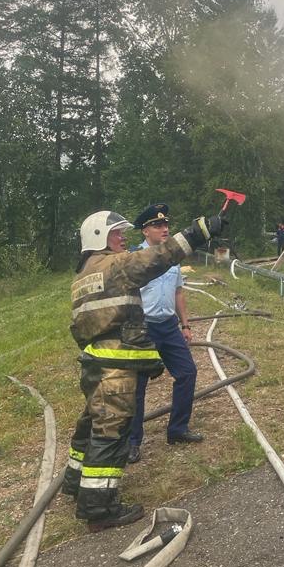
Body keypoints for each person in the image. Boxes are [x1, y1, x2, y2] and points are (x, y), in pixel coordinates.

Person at [62, 208, 226, 532]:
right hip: (113, 369)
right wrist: (199, 231)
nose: (123, 238)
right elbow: (159, 257)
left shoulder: (83, 277)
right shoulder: (114, 266)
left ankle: (74, 481)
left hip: (94, 363)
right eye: (116, 234)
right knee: (110, 434)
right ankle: (98, 509)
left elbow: (81, 328)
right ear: (98, 238)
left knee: (89, 427)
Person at [127, 203, 202, 465]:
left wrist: (186, 325)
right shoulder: (134, 260)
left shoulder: (173, 259)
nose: (165, 228)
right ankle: (133, 442)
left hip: (169, 326)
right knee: (138, 386)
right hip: (144, 328)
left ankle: (177, 430)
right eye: (158, 225)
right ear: (145, 231)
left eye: (166, 224)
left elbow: (178, 292)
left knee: (187, 373)